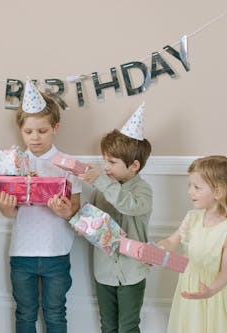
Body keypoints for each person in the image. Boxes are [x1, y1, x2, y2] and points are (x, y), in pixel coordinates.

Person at [0, 82, 82, 333]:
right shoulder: (13, 164)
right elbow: (10, 212)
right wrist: (5, 207)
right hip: (22, 253)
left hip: (56, 252)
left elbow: (75, 212)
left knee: (55, 313)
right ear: (20, 130)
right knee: (24, 314)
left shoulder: (68, 165)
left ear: (55, 128)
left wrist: (65, 211)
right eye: (29, 131)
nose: (35, 137)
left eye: (42, 131)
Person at [75, 128, 153, 333]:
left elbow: (127, 205)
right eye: (105, 161)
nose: (106, 167)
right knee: (108, 326)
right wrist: (85, 228)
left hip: (131, 272)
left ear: (134, 166)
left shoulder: (142, 190)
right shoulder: (102, 191)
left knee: (128, 327)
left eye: (112, 162)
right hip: (104, 273)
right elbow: (98, 228)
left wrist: (101, 180)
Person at [157, 155, 227, 333]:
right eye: (189, 186)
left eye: (197, 187)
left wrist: (211, 290)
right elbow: (171, 241)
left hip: (216, 290)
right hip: (190, 284)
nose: (190, 191)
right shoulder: (192, 218)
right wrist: (157, 249)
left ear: (218, 191)